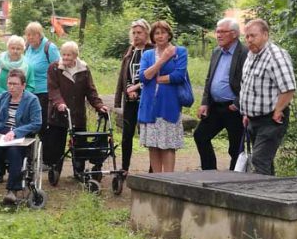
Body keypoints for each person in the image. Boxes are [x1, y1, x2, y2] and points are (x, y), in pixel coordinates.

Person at [238, 19, 297, 176]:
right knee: (264, 161)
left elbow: (289, 88)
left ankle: (260, 198)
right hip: (253, 119)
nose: (249, 40)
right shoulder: (251, 55)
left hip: (272, 119)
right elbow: (248, 86)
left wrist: (278, 110)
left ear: (265, 35)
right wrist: (246, 113)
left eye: (253, 36)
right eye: (247, 36)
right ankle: (271, 197)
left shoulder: (276, 56)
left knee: (259, 160)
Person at [0, 69, 42, 205]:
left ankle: (12, 191)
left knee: (15, 152)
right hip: (0, 134)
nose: (11, 87)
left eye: (15, 84)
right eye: (9, 83)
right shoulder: (2, 97)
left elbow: (37, 123)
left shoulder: (32, 100)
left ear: (23, 85)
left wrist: (16, 132)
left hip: (20, 136)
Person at [45, 41, 109, 176]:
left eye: (69, 55)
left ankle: (79, 170)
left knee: (80, 143)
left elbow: (91, 91)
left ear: (75, 56)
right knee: (57, 144)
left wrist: (99, 105)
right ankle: (55, 169)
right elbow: (53, 89)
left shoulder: (83, 69)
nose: (65, 58)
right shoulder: (55, 68)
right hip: (59, 113)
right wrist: (59, 103)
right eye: (63, 55)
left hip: (77, 113)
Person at [193, 18, 248, 170]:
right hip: (215, 106)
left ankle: (233, 180)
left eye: (222, 31)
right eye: (217, 31)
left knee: (235, 147)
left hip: (234, 108)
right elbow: (209, 78)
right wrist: (205, 102)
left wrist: (237, 104)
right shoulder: (217, 52)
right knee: (200, 135)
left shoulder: (244, 53)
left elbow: (249, 82)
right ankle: (209, 172)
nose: (218, 35)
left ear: (234, 34)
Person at [137, 21, 191, 173]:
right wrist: (162, 60)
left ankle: (169, 180)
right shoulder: (147, 54)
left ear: (169, 34)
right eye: (156, 33)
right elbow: (143, 77)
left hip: (169, 105)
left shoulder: (180, 52)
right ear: (152, 37)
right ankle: (156, 179)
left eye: (163, 32)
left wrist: (159, 78)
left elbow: (179, 76)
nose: (160, 36)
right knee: (153, 145)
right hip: (150, 105)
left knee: (168, 145)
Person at [113, 19, 153, 173]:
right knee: (127, 135)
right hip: (130, 99)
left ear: (146, 34)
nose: (136, 36)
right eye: (134, 33)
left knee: (148, 135)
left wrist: (138, 89)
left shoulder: (152, 51)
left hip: (148, 99)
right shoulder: (130, 51)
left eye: (139, 33)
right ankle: (125, 168)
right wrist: (123, 94)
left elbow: (153, 76)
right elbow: (123, 75)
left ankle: (152, 169)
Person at [23, 21, 60, 164]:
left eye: (33, 35)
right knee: (28, 126)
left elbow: (59, 69)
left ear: (39, 35)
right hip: (29, 93)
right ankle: (28, 158)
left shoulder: (49, 48)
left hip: (45, 93)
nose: (30, 38)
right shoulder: (28, 48)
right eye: (28, 35)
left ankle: (47, 160)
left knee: (43, 126)